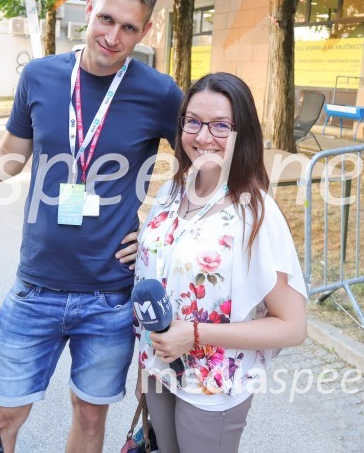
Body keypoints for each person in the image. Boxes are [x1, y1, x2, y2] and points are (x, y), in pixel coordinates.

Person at [0, 0, 183, 453]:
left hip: (109, 297)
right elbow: (7, 158)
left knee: (91, 419)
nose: (113, 36)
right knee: (0, 416)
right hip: (36, 289)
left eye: (129, 27)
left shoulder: (160, 93)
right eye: (106, 19)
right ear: (88, 9)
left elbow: (201, 168)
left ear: (146, 30)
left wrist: (157, 230)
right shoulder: (41, 76)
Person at [133, 73, 308, 453]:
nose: (203, 136)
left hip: (211, 386)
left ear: (242, 132)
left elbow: (292, 327)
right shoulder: (171, 190)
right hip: (158, 372)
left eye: (220, 125)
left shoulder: (256, 215)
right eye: (192, 121)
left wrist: (195, 335)